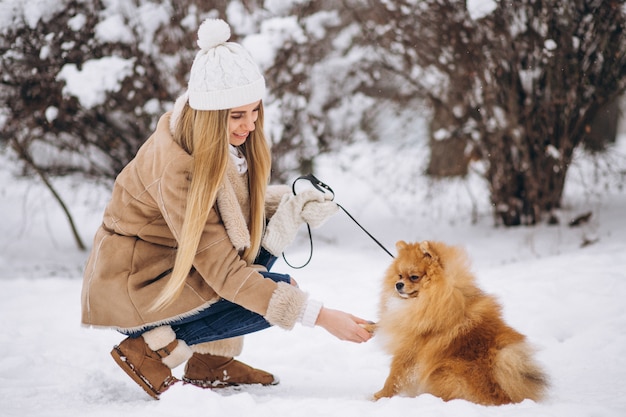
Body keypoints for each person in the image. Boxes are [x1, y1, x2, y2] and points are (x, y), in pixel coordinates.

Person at [80, 18, 373, 400]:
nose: (249, 125)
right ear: (209, 114)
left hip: (173, 271)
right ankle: (148, 347)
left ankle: (210, 361)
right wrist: (320, 316)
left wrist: (292, 203)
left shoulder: (214, 143)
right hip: (138, 287)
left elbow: (233, 213)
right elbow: (224, 271)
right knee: (278, 294)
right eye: (236, 115)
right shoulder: (178, 168)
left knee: (260, 261)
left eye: (254, 111)